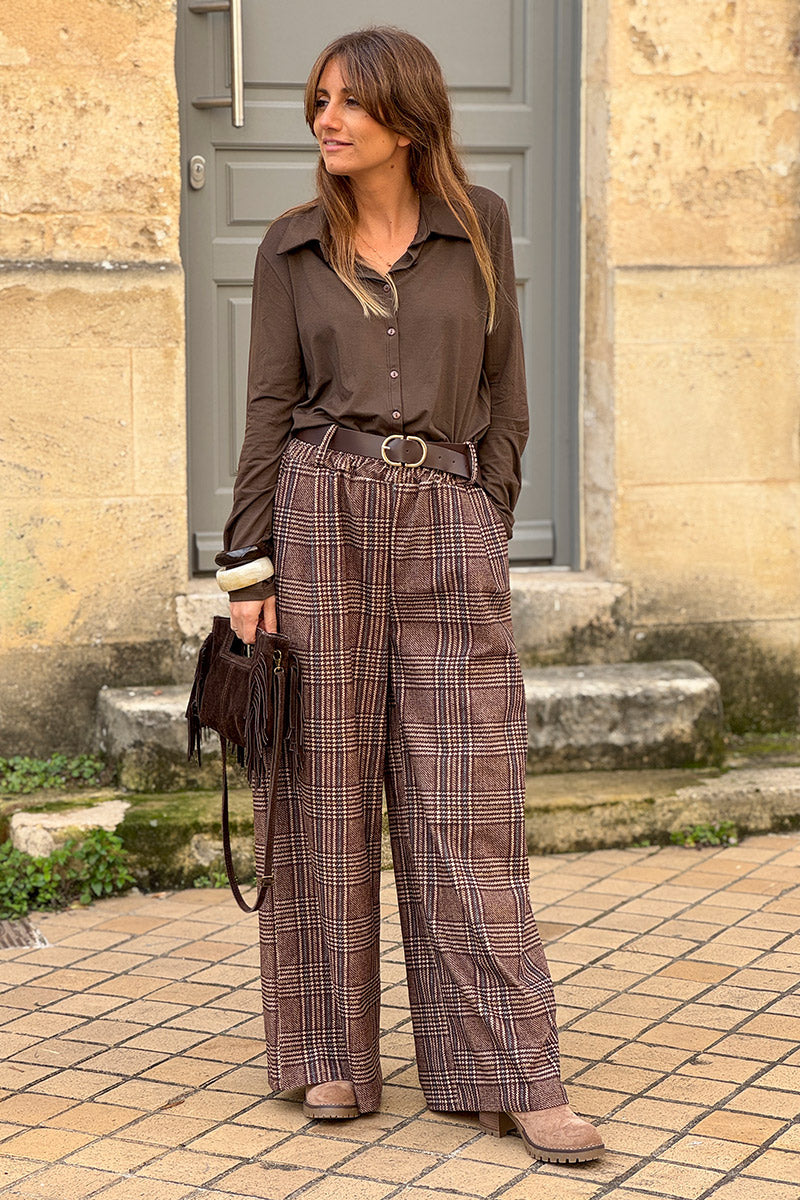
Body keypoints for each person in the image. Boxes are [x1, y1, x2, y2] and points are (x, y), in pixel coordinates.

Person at [216, 26, 604, 1165]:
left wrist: (483, 512)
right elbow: (265, 415)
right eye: (318, 101)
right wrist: (248, 573)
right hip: (319, 515)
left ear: (406, 115)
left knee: (466, 802)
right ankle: (326, 1051)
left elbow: (505, 389)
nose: (325, 120)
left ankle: (509, 1068)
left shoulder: (476, 223)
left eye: (348, 103)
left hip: (443, 522)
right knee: (320, 792)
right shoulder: (290, 249)